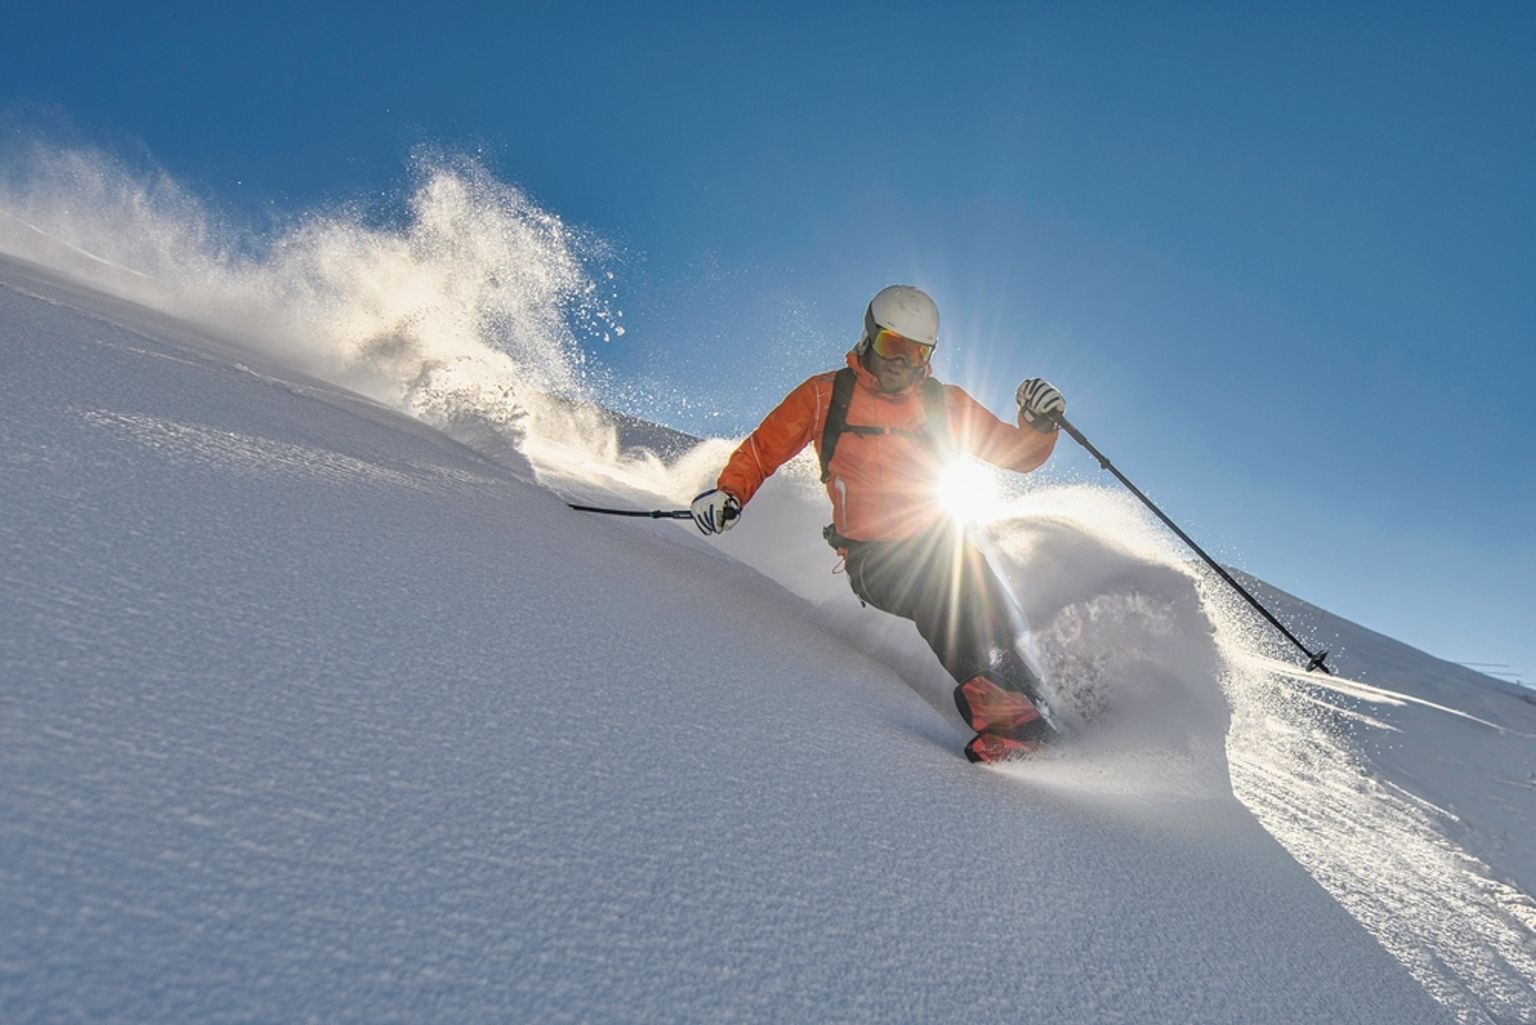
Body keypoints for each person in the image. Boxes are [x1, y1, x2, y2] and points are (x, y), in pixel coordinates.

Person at [689, 284, 1067, 764]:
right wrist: (730, 492)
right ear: (870, 337)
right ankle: (1006, 718)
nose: (902, 363)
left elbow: (1013, 453)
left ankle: (1039, 708)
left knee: (991, 605)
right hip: (872, 557)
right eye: (893, 346)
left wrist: (1040, 424)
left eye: (917, 352)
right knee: (938, 590)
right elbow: (765, 449)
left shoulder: (943, 403)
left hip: (942, 542)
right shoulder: (825, 396)